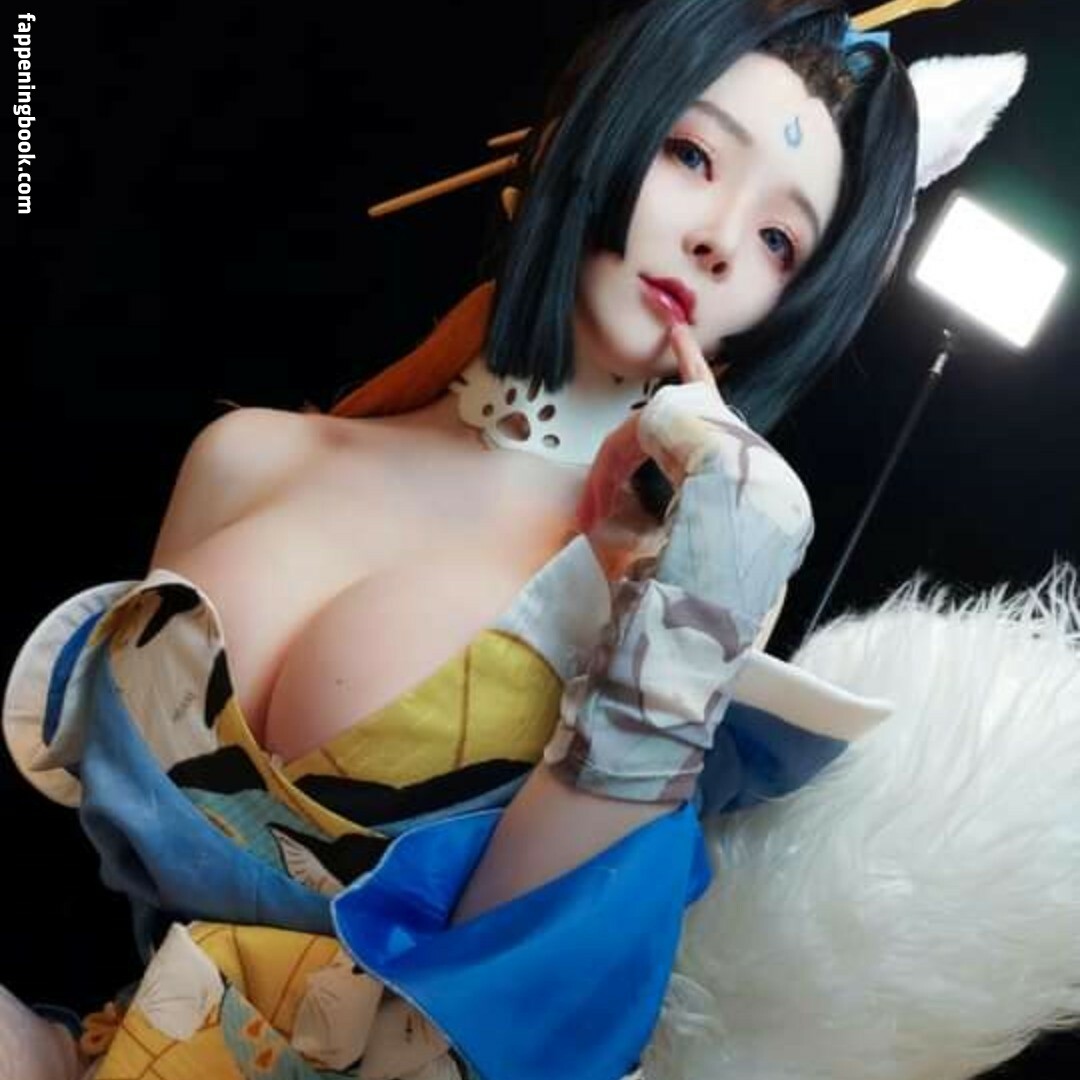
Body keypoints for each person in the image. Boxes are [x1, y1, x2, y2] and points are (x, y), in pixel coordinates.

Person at [0, 1, 1035, 1078]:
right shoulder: (248, 457)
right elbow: (152, 951)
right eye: (691, 155)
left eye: (780, 239)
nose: (719, 239)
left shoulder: (672, 596)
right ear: (604, 123)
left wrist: (692, 615)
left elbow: (526, 1012)